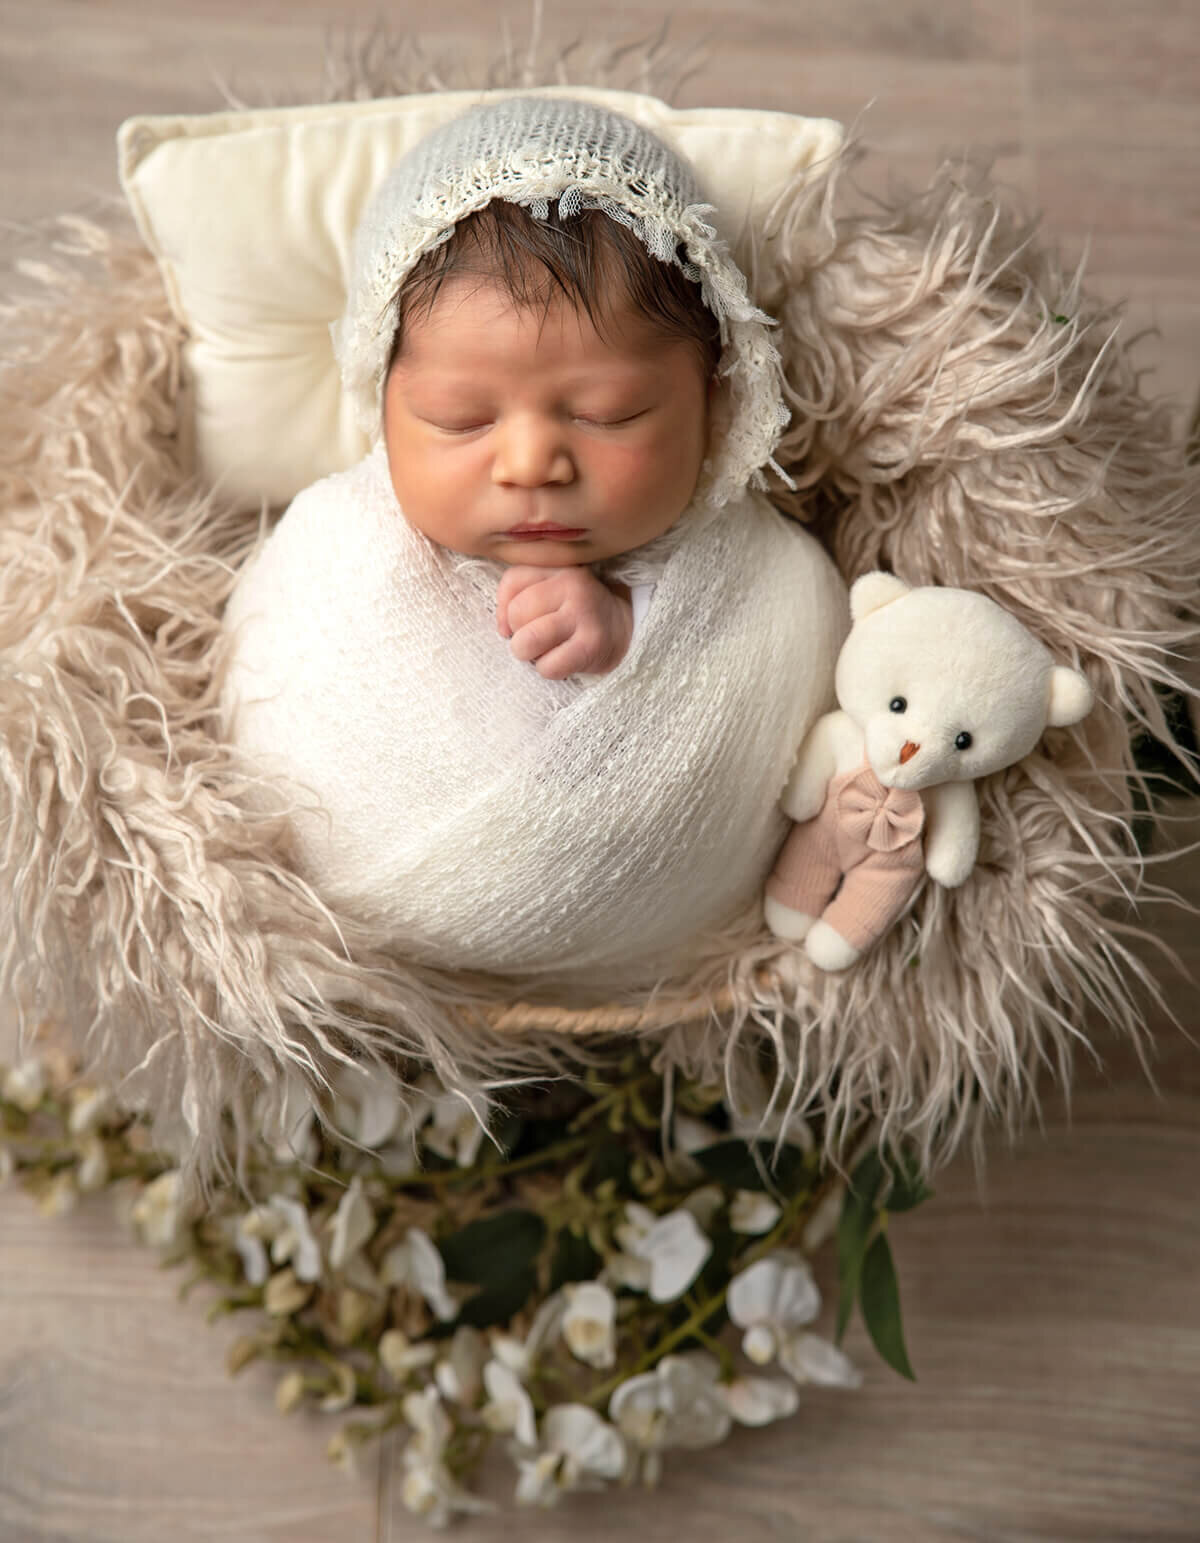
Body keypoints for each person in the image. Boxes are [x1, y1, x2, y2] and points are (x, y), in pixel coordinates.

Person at [221, 95, 846, 985]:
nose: (531, 462)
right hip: (342, 963)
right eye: (459, 418)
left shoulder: (755, 570)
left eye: (607, 413)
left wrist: (634, 636)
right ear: (382, 399)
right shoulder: (336, 546)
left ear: (717, 397)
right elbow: (270, 688)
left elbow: (794, 670)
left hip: (673, 964)